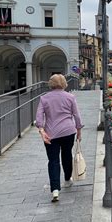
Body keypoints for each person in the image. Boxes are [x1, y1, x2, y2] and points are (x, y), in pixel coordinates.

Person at [36, 74, 83, 202]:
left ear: (51, 84)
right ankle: (67, 179)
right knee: (67, 155)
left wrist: (41, 130)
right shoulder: (70, 97)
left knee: (53, 160)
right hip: (68, 131)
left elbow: (39, 118)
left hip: (51, 134)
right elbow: (77, 115)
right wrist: (79, 130)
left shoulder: (44, 99)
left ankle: (55, 189)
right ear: (64, 83)